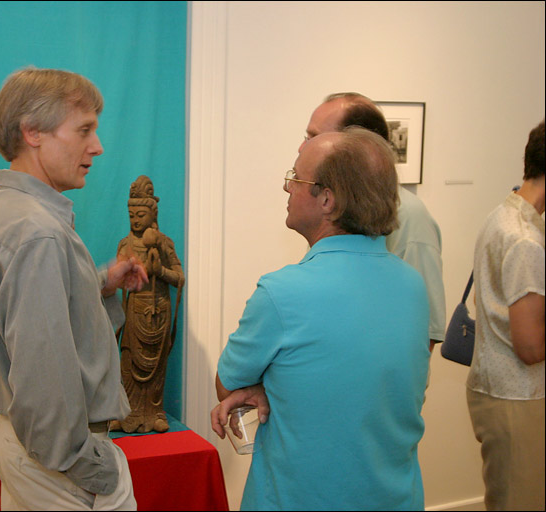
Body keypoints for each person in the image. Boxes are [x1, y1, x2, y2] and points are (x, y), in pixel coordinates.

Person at [212, 127, 430, 510]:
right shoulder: (412, 285)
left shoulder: (281, 293)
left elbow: (227, 387)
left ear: (327, 199)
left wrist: (267, 389)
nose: (287, 187)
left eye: (295, 178)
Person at [0, 67, 148, 511]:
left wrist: (100, 283)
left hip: (25, 446)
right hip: (58, 463)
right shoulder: (37, 232)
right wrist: (91, 467)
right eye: (83, 130)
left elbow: (25, 318)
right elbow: (42, 375)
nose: (97, 146)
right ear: (32, 132)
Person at [300, 92, 446, 353]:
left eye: (314, 138)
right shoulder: (334, 206)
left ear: (358, 146)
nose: (303, 148)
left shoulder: (409, 215)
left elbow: (424, 331)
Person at [466, 120, 544, 511]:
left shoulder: (503, 214)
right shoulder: (525, 239)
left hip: (497, 387)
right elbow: (531, 347)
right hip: (518, 396)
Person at [111, 175, 185, 433]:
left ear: (153, 214)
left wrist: (160, 271)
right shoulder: (126, 244)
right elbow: (117, 280)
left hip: (158, 311)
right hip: (134, 310)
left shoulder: (164, 243)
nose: (135, 220)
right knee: (129, 362)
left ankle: (155, 412)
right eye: (131, 215)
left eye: (140, 214)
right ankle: (128, 412)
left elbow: (180, 277)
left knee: (157, 365)